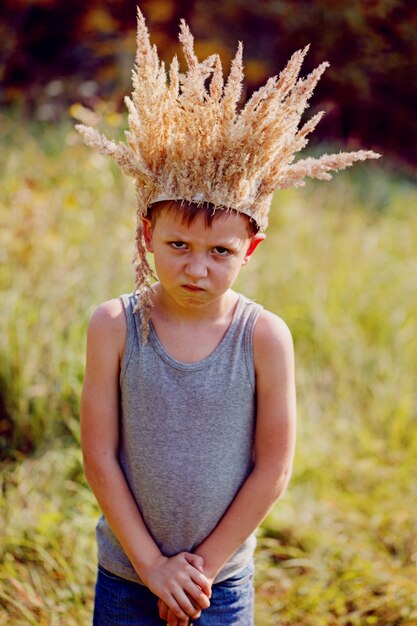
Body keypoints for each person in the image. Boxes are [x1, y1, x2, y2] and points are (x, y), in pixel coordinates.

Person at [78, 8, 379, 625]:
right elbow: (99, 455)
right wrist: (153, 568)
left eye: (221, 252)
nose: (196, 270)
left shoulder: (264, 336)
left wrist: (199, 570)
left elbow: (275, 465)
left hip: (221, 587)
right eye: (177, 247)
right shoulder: (114, 326)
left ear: (252, 249)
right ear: (146, 236)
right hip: (127, 579)